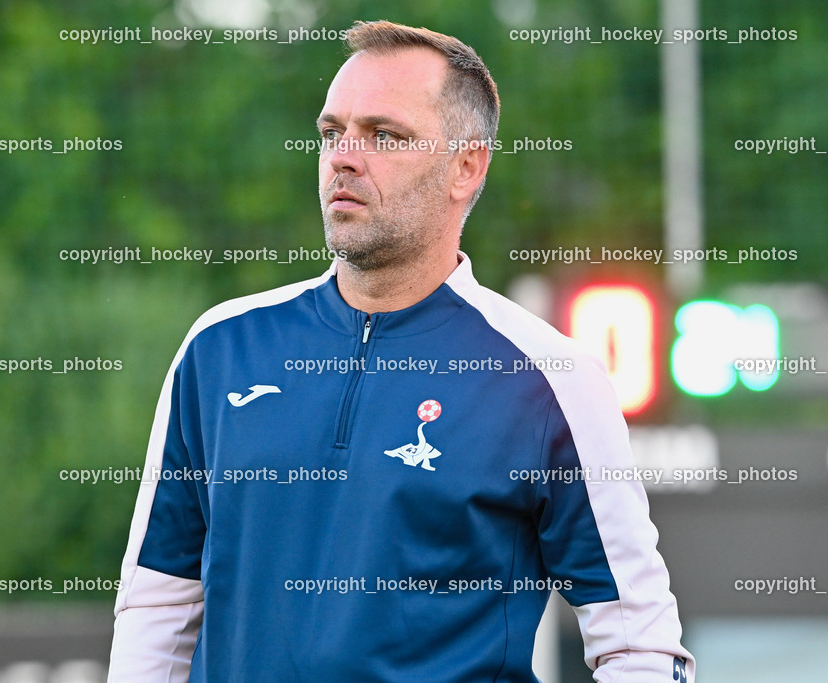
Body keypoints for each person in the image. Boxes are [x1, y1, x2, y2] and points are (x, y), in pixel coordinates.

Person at [108, 20, 695, 682]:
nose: (344, 157)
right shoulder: (218, 349)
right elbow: (158, 602)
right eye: (333, 133)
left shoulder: (547, 377)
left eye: (383, 135)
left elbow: (637, 640)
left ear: (466, 167)